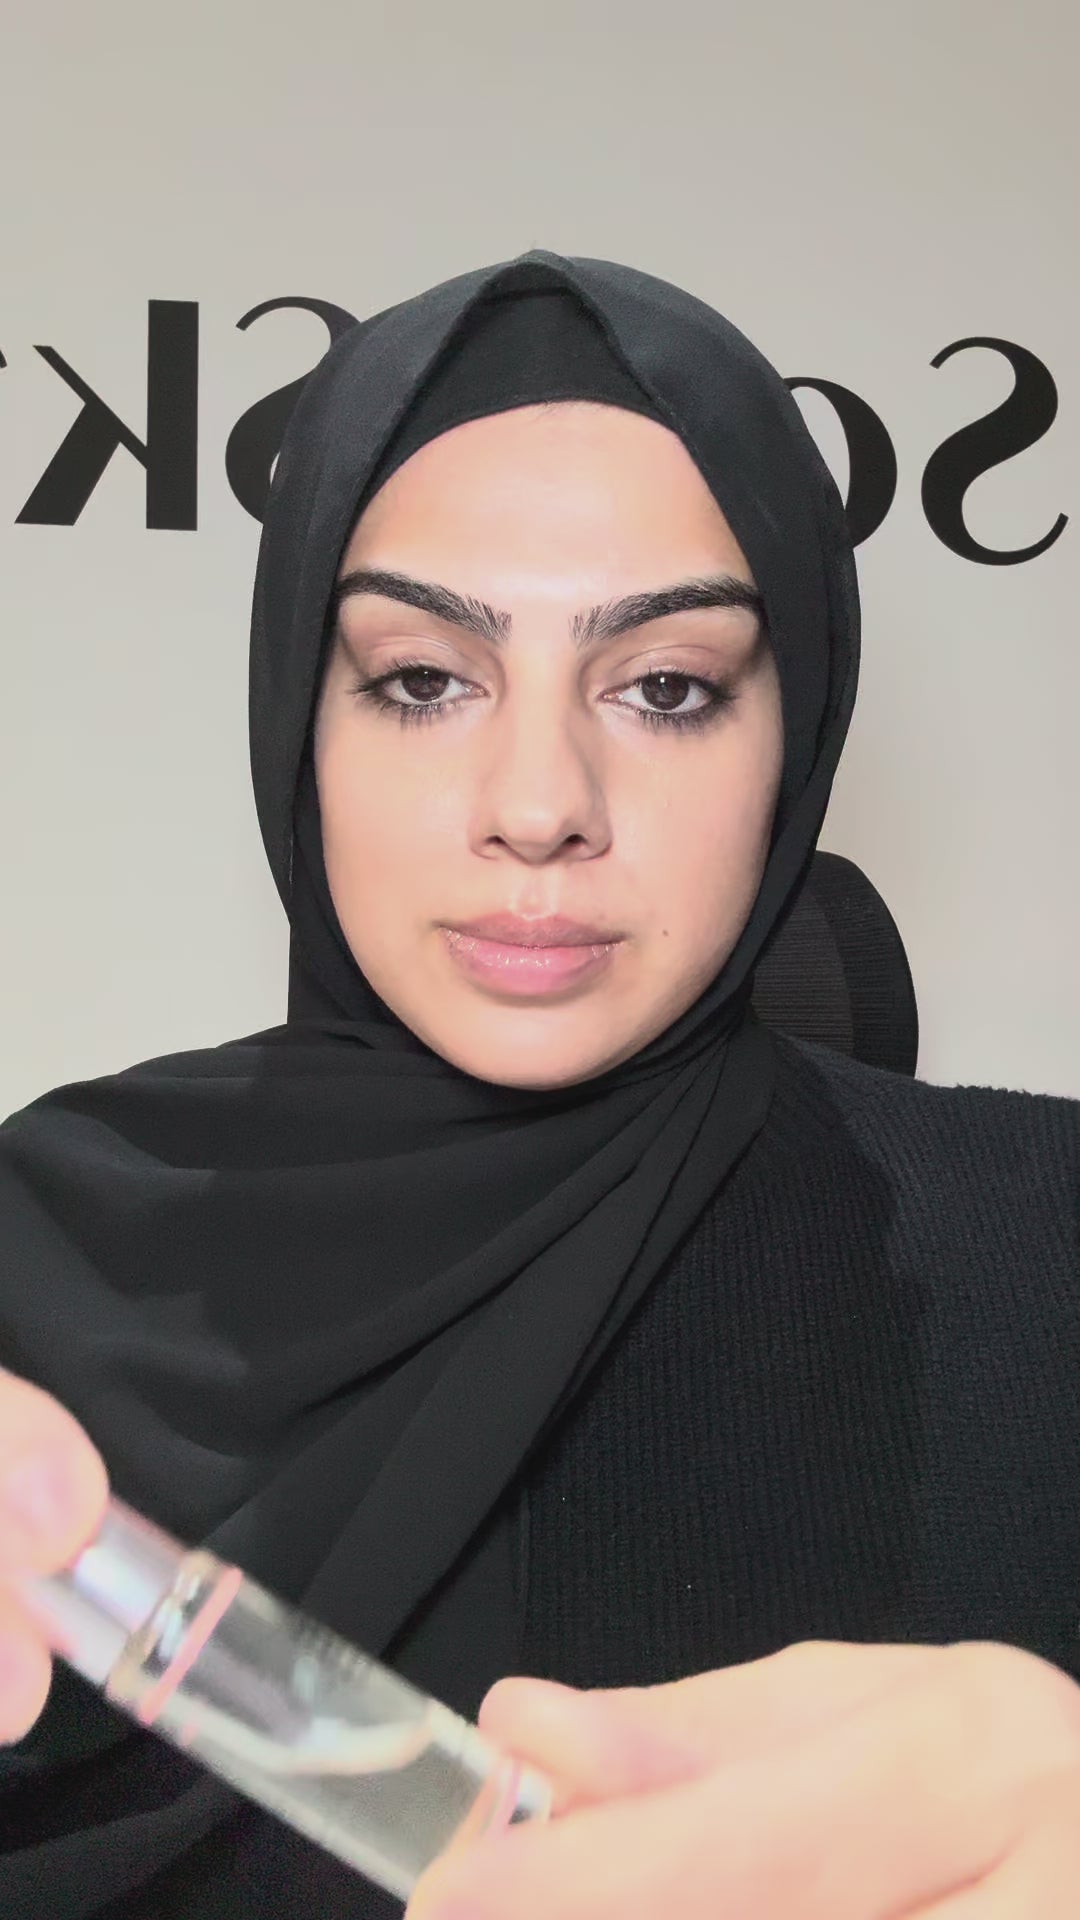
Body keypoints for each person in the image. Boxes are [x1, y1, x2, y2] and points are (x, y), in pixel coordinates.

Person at [0, 249, 1076, 1919]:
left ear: (795, 736)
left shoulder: (1045, 1256)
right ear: (303, 721)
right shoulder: (38, 1251)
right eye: (424, 679)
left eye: (667, 688)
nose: (538, 803)